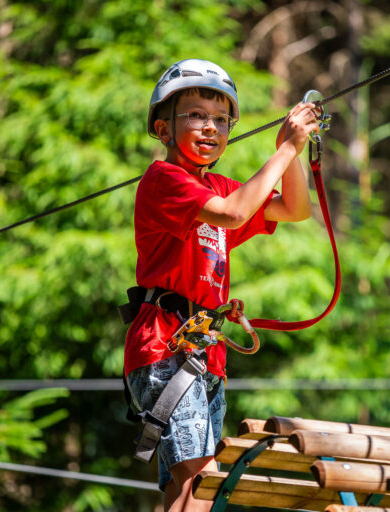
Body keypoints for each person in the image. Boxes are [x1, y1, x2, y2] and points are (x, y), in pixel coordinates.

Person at [124, 59, 319, 512]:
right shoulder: (163, 179)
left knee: (188, 492)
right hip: (165, 348)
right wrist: (286, 149)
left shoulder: (222, 185)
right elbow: (233, 213)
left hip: (202, 352)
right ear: (163, 128)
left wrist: (291, 149)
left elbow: (294, 209)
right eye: (195, 115)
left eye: (221, 120)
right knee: (200, 485)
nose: (211, 127)